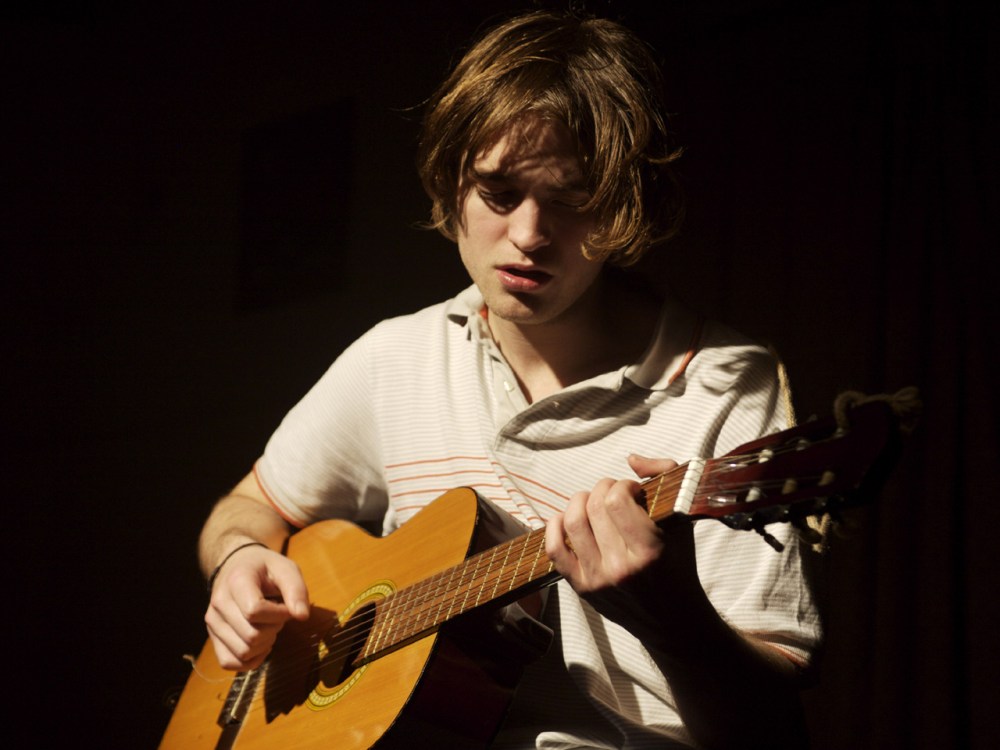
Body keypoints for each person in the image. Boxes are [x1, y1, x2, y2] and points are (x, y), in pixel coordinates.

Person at [198, 10, 821, 749]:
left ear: (624, 206)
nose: (528, 236)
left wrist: (672, 614)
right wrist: (239, 559)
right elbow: (249, 506)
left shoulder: (727, 385)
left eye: (572, 198)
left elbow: (772, 733)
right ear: (451, 186)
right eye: (498, 192)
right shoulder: (397, 357)